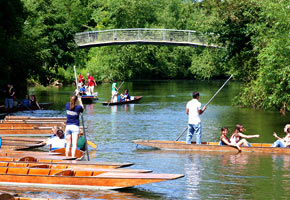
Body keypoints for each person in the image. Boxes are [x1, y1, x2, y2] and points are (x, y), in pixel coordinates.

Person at [65, 93, 84, 158]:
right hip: (75, 126)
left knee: (68, 143)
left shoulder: (67, 105)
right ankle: (73, 156)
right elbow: (82, 109)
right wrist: (80, 100)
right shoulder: (78, 107)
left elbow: (72, 104)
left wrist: (75, 95)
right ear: (76, 100)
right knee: (74, 144)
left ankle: (67, 156)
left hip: (68, 126)